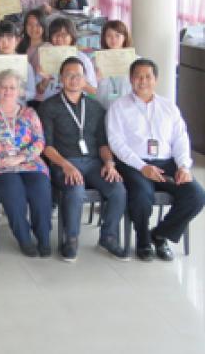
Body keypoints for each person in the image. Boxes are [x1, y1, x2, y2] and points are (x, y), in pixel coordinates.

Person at [106, 59, 205, 261]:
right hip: (134, 163)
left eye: (148, 76)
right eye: (138, 76)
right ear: (131, 79)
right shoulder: (118, 107)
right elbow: (116, 143)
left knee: (196, 195)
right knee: (142, 195)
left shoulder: (169, 107)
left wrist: (184, 166)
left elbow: (180, 138)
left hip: (167, 162)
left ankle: (160, 234)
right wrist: (142, 167)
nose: (143, 81)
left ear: (156, 80)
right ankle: (143, 239)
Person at [38, 58, 128, 261]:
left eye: (78, 75)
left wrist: (109, 163)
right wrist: (66, 165)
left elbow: (103, 144)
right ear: (61, 78)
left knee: (118, 188)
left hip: (94, 163)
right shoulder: (49, 107)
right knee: (75, 189)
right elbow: (47, 146)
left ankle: (109, 236)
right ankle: (70, 239)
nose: (74, 79)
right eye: (69, 75)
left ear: (85, 78)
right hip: (64, 162)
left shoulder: (96, 107)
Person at [0, 69, 52, 257]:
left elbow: (39, 141)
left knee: (40, 188)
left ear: (20, 91)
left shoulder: (30, 113)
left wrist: (21, 157)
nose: (7, 91)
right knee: (13, 191)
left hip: (29, 162)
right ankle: (23, 238)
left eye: (12, 87)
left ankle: (44, 238)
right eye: (3, 87)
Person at [36, 18, 97, 99]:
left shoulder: (82, 58)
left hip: (76, 105)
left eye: (64, 35)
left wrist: (81, 83)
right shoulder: (46, 57)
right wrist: (46, 79)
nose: (59, 39)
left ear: (72, 36)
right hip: (51, 105)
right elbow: (39, 91)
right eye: (55, 34)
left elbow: (93, 91)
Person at [0, 20, 36, 104]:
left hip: (17, 108)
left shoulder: (25, 64)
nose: (5, 43)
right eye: (0, 39)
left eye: (9, 38)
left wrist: (20, 92)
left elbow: (32, 93)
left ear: (17, 40)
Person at [95, 20, 134, 109]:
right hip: (103, 107)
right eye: (109, 36)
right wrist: (95, 79)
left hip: (128, 108)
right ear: (104, 38)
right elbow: (90, 88)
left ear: (125, 37)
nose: (113, 39)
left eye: (117, 35)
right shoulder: (96, 60)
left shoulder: (135, 60)